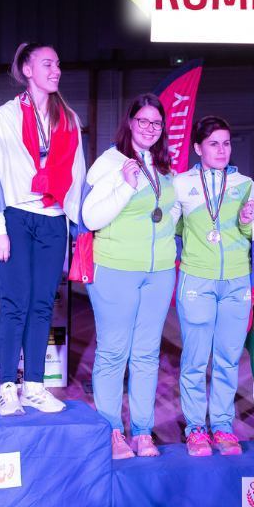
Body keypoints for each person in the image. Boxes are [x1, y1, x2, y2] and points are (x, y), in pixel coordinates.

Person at [0, 42, 86, 415]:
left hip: (53, 218)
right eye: (47, 64)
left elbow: (78, 174)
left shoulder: (68, 118)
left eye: (58, 64)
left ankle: (35, 386)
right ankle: (7, 387)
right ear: (27, 70)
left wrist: (74, 227)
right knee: (14, 303)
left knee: (43, 304)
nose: (55, 70)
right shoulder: (6, 116)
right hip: (15, 217)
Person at [82, 94, 176, 458]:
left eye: (157, 123)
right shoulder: (110, 162)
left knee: (147, 354)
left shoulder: (164, 165)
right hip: (116, 269)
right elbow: (91, 217)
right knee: (113, 352)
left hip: (159, 272)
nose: (150, 129)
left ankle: (142, 431)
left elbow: (170, 212)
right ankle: (112, 431)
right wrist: (125, 185)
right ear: (130, 123)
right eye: (143, 121)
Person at [173, 116, 254, 456]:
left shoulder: (245, 184)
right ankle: (195, 427)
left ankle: (222, 425)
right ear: (198, 148)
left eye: (226, 143)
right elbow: (173, 231)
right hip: (197, 278)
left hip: (237, 280)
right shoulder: (181, 184)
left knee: (228, 359)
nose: (222, 150)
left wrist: (246, 223)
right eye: (213, 144)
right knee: (195, 359)